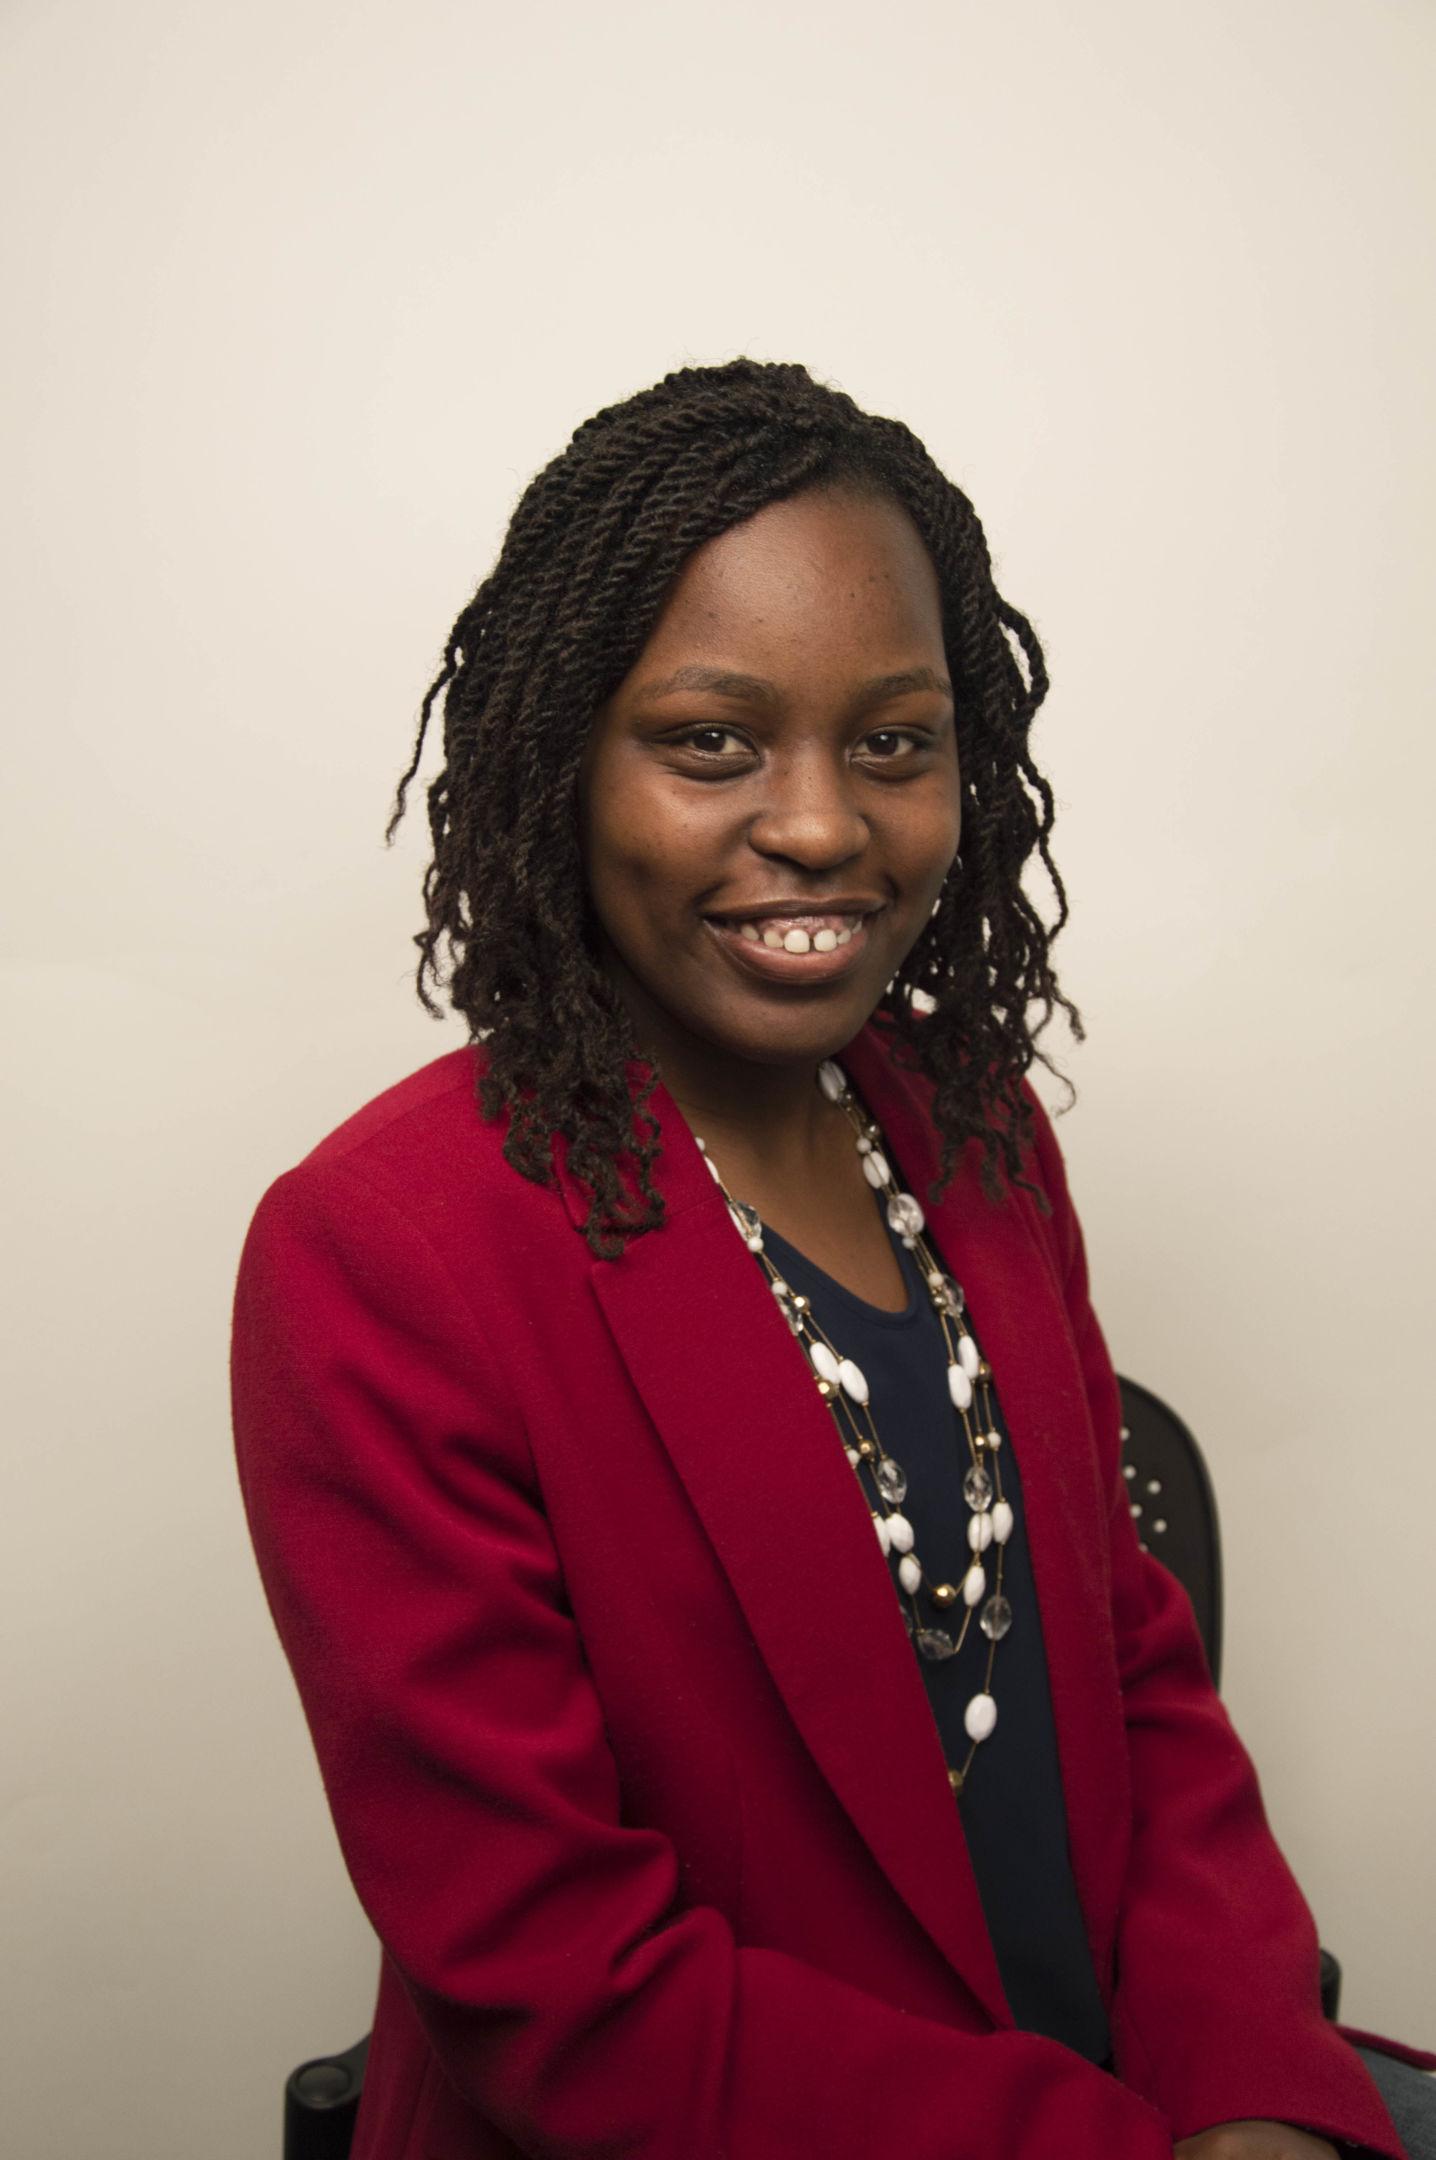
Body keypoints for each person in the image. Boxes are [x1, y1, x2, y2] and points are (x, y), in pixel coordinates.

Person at [230, 359, 1433, 2160]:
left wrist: (1252, 2087)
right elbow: (566, 1993)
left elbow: (1137, 1680)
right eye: (712, 741)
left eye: (892, 742)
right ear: (564, 765)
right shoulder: (386, 1254)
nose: (819, 825)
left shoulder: (976, 1131)